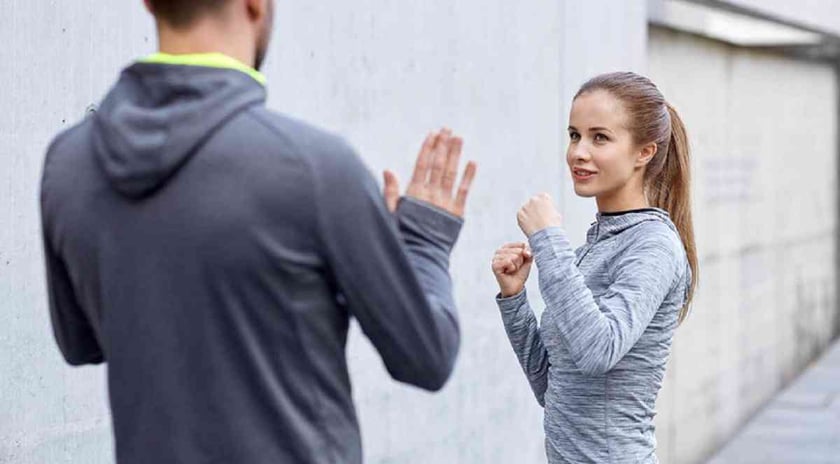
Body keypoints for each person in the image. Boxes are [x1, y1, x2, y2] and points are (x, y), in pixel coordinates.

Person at [39, 1, 476, 463]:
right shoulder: (314, 169)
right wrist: (423, 242)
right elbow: (426, 356)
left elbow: (80, 342)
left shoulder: (69, 165)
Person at [491, 71, 698, 463]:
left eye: (599, 137)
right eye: (574, 135)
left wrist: (549, 240)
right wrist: (514, 297)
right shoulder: (596, 244)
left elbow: (598, 350)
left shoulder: (653, 245)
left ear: (644, 152)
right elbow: (551, 388)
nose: (578, 152)